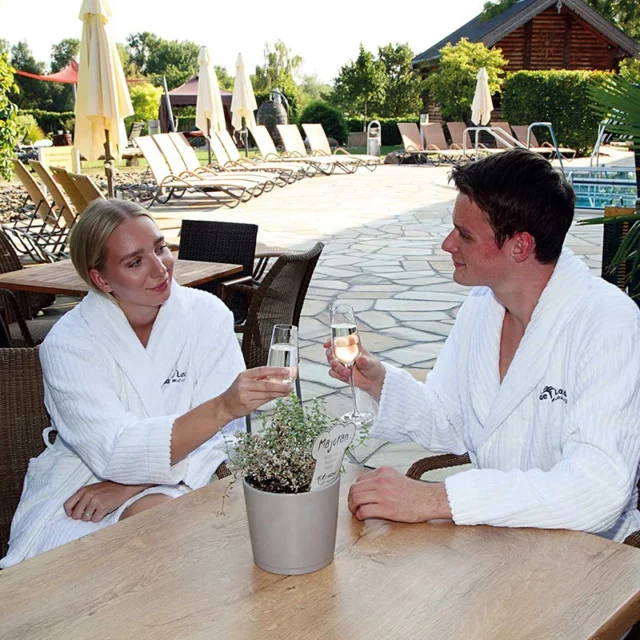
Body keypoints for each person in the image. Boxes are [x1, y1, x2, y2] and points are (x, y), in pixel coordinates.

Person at [326, 148, 640, 542]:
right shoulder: (482, 308)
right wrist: (378, 380)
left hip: (586, 559)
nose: (447, 244)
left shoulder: (607, 322)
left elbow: (597, 490)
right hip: (495, 539)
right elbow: (449, 421)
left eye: (465, 235)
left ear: (520, 247)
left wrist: (437, 500)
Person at [1, 199, 292, 568]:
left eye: (160, 248)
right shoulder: (70, 343)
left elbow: (225, 435)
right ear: (101, 279)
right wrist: (221, 407)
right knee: (98, 563)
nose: (160, 269)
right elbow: (111, 452)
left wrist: (131, 485)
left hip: (193, 469)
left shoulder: (206, 315)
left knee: (164, 524)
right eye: (135, 262)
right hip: (84, 480)